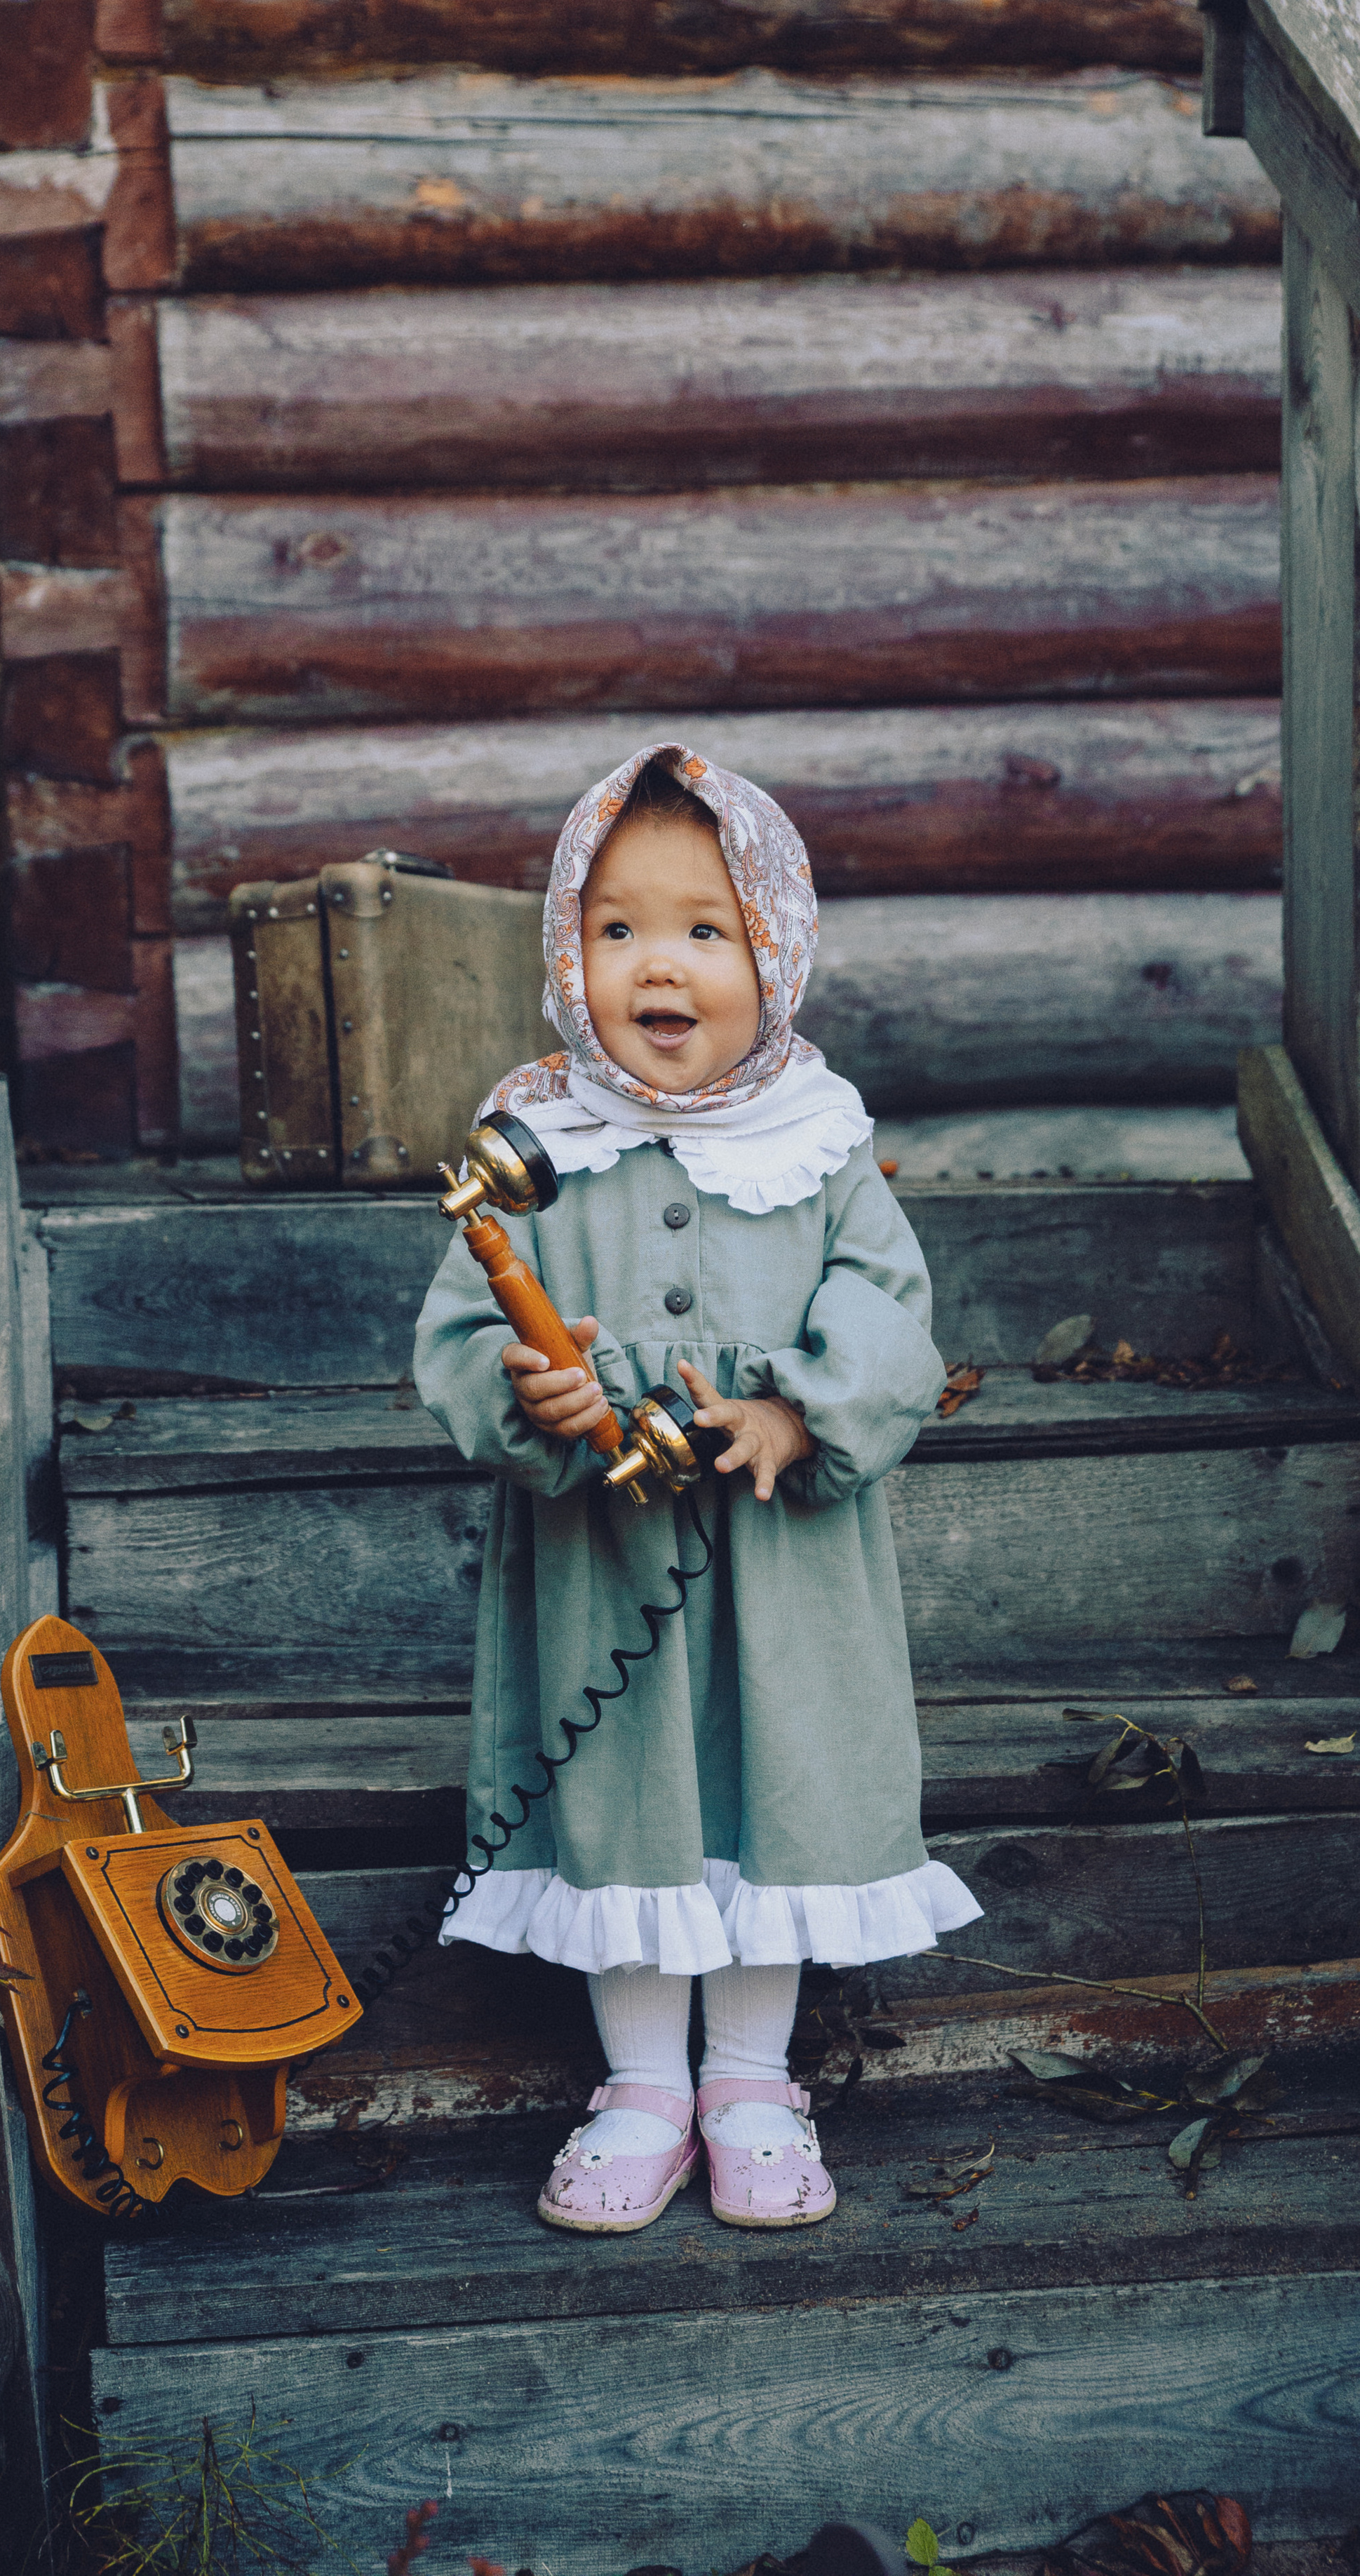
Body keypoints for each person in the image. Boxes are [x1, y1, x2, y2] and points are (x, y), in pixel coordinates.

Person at [412, 743, 982, 2236]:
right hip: (606, 1561)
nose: (653, 965)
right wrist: (532, 1395)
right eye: (614, 929)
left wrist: (801, 1410)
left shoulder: (819, 1141)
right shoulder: (542, 1139)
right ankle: (641, 2084)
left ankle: (747, 2076)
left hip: (788, 1569)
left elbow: (887, 1309)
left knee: (776, 1790)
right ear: (565, 949)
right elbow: (465, 1334)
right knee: (626, 1803)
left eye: (700, 929)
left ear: (773, 947)